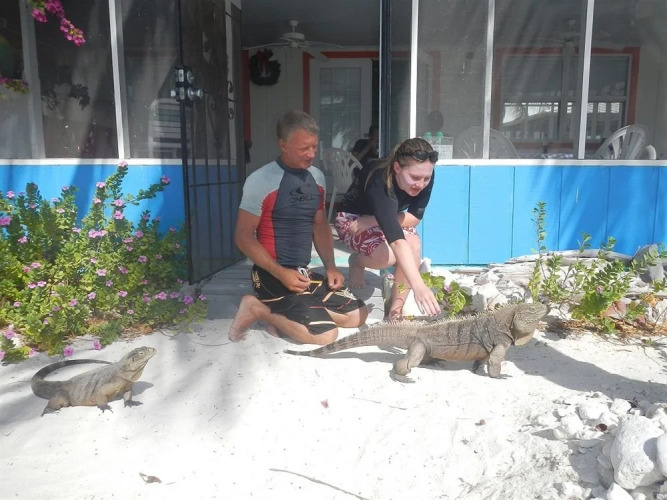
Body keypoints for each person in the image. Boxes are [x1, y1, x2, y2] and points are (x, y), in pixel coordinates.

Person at [229, 110, 369, 345]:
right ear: (283, 144)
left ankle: (293, 315)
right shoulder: (260, 180)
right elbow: (243, 237)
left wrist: (331, 266)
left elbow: (320, 224)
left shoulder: (317, 177)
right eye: (304, 148)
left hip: (303, 274)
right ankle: (258, 309)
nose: (312, 154)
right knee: (325, 335)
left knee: (359, 315)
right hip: (270, 275)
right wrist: (280, 273)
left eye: (314, 146)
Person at [333, 137, 441, 320]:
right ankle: (357, 261)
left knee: (413, 243)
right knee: (388, 256)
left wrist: (374, 220)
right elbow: (397, 242)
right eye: (414, 178)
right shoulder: (380, 179)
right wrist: (419, 286)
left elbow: (414, 219)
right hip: (353, 221)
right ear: (397, 168)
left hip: (374, 220)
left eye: (426, 178)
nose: (421, 184)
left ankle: (395, 312)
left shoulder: (424, 173)